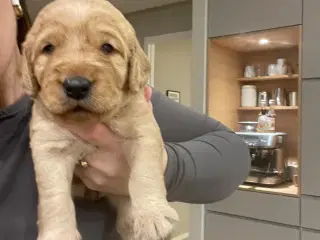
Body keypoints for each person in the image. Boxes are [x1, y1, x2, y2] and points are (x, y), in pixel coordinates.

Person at [0, 0, 251, 239]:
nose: (75, 79)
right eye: (49, 48)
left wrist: (157, 169)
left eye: (106, 47)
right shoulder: (42, 111)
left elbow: (233, 155)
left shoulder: (128, 100)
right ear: (30, 68)